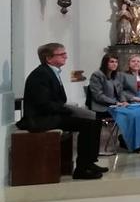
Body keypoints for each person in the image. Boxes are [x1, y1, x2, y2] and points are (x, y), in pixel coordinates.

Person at [19, 43, 104, 180]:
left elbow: (57, 100)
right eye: (61, 54)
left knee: (95, 120)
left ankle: (89, 162)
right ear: (48, 58)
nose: (66, 56)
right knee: (87, 124)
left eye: (65, 53)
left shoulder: (51, 72)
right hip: (40, 119)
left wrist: (68, 109)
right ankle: (81, 169)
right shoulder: (40, 75)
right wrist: (67, 110)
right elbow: (43, 104)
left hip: (51, 114)